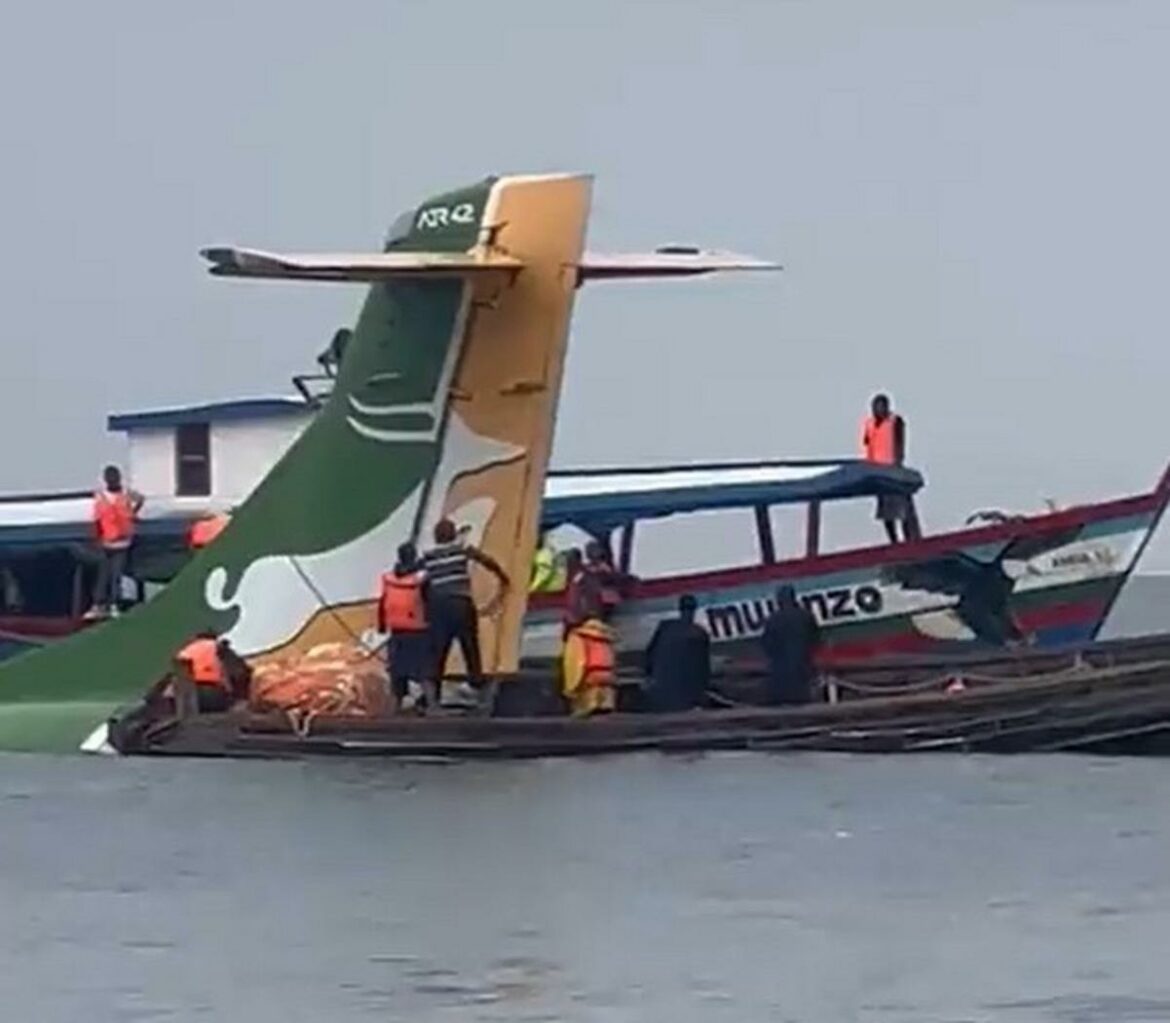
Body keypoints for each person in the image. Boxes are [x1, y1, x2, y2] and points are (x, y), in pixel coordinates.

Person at [420, 518, 510, 706]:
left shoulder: (428, 556)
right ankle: (476, 688)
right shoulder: (462, 549)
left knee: (438, 652)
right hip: (461, 604)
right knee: (470, 647)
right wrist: (503, 577)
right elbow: (486, 561)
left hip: (439, 607)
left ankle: (433, 699)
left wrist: (427, 607)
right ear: (453, 533)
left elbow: (422, 583)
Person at [377, 542, 431, 712]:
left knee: (397, 671)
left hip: (396, 630)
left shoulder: (389, 578)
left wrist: (381, 626)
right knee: (423, 670)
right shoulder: (420, 579)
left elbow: (382, 603)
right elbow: (429, 601)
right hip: (417, 629)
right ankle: (432, 705)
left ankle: (397, 707)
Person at [861, 393, 919, 543]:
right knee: (886, 513)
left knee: (902, 509)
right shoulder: (869, 424)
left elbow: (899, 444)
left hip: (892, 470)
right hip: (877, 471)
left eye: (881, 406)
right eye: (875, 407)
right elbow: (867, 445)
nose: (877, 410)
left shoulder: (895, 421)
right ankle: (894, 541)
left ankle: (910, 539)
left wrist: (898, 464)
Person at [87, 465, 144, 618]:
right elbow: (97, 520)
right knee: (103, 574)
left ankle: (114, 604)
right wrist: (96, 539)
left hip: (123, 542)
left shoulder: (126, 493)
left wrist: (133, 513)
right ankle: (99, 604)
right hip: (106, 541)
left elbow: (140, 499)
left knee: (116, 575)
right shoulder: (101, 496)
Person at [643, 594, 711, 712]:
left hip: (659, 697)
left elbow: (649, 655)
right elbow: (704, 670)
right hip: (686, 700)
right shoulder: (700, 633)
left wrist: (649, 676)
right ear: (694, 610)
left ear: (679, 609)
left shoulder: (665, 627)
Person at [760, 585, 821, 706]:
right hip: (803, 670)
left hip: (779, 675)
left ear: (779, 600)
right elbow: (815, 640)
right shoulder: (806, 616)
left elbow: (766, 646)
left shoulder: (772, 620)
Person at [561, 615, 617, 716]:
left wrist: (571, 686)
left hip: (589, 676)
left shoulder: (578, 636)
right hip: (607, 676)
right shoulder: (606, 638)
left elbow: (577, 660)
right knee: (604, 708)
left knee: (586, 708)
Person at [173, 629, 234, 714]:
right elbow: (225, 673)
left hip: (189, 698)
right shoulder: (216, 646)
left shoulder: (185, 649)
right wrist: (229, 692)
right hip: (213, 695)